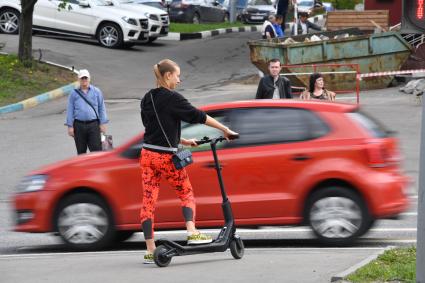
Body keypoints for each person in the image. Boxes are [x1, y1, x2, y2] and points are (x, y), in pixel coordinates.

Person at [139, 59, 239, 264]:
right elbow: (198, 116)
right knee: (186, 192)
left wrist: (183, 140)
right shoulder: (172, 97)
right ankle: (192, 231)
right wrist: (224, 129)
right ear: (167, 76)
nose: (179, 79)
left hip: (147, 155)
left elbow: (156, 128)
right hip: (166, 157)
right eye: (177, 75)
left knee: (148, 201)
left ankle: (150, 249)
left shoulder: (147, 98)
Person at [65, 69, 108, 155]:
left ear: (89, 79)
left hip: (94, 125)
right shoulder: (74, 93)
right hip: (79, 126)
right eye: (82, 78)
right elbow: (70, 110)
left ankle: (97, 168)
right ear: (79, 80)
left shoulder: (96, 91)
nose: (84, 79)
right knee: (81, 152)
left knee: (96, 151)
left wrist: (103, 123)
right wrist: (70, 126)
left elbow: (101, 108)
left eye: (86, 77)